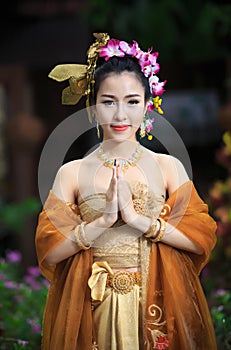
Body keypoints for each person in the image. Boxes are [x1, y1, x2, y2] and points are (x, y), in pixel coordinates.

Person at [35, 33, 217, 350]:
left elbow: (200, 238)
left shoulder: (168, 167)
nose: (120, 115)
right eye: (109, 102)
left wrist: (138, 219)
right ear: (92, 107)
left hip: (156, 300)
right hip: (95, 306)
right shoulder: (72, 172)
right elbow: (49, 251)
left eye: (132, 102)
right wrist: (102, 221)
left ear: (148, 106)